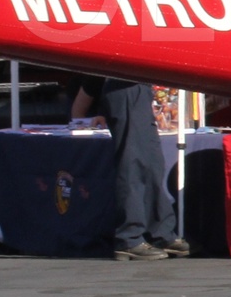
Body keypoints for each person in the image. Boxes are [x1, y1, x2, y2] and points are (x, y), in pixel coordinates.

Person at [71, 77, 187, 261]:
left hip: (139, 85)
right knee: (132, 163)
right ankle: (129, 237)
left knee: (151, 163)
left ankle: (160, 233)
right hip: (126, 83)